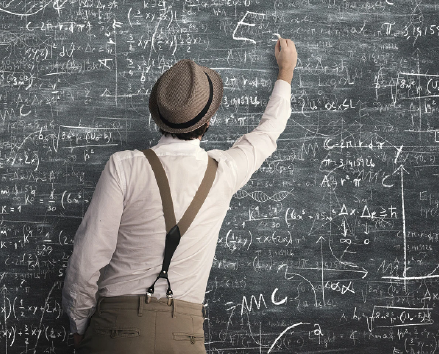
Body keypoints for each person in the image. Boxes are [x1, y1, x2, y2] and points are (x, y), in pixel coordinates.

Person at [62, 39, 297, 353]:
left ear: (158, 117)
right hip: (183, 335)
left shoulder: (124, 166)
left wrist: (79, 322)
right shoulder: (224, 171)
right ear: (208, 120)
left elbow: (89, 254)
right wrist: (286, 72)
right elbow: (267, 132)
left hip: (115, 327)